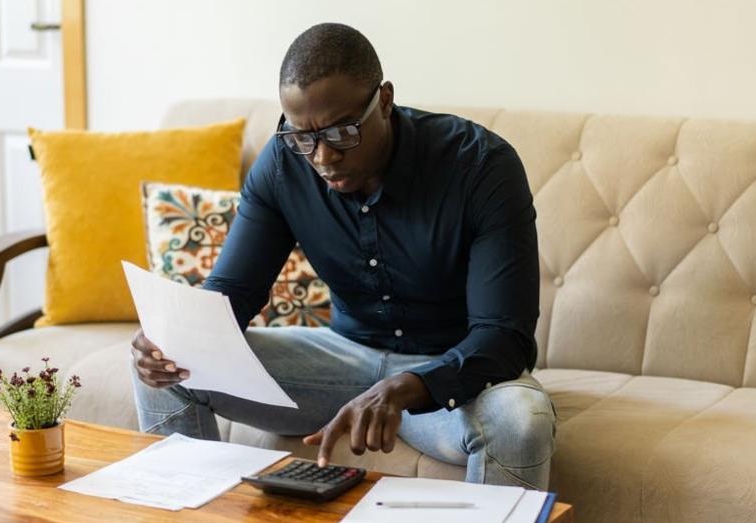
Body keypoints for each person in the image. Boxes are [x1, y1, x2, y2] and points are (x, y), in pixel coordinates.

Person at [131, 23, 557, 489]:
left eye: (342, 132)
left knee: (521, 421)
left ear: (386, 100)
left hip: (450, 380)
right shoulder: (281, 165)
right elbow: (234, 292)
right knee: (170, 367)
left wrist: (408, 387)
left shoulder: (480, 166)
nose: (322, 157)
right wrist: (177, 336)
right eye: (303, 137)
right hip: (340, 363)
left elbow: (504, 337)